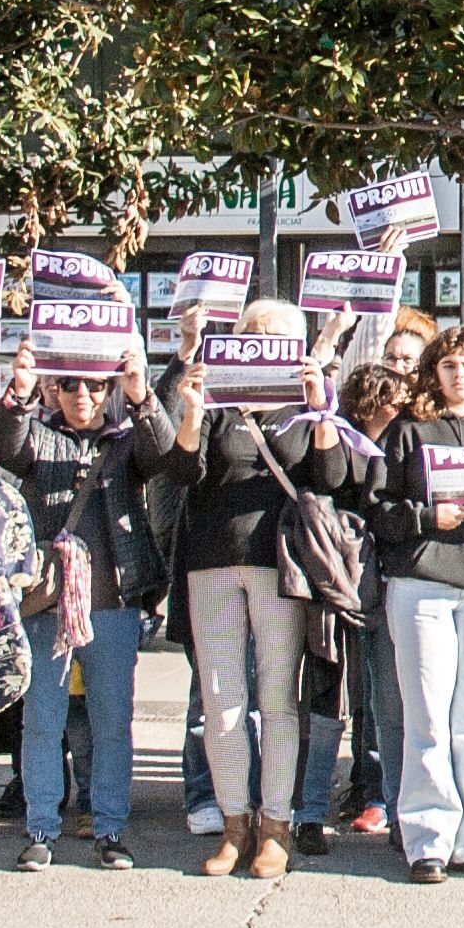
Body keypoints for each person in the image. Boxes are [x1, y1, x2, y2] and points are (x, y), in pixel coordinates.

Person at [153, 297, 351, 882]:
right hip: (211, 563)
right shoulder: (217, 398)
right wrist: (192, 412)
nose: (261, 342)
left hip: (278, 567)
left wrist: (319, 413)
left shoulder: (298, 402)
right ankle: (234, 824)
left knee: (276, 701)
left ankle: (276, 827)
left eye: (275, 335)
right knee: (221, 703)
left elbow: (331, 480)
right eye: (252, 333)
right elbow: (181, 472)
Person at [0, 330, 171, 870]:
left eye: (93, 385)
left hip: (111, 601)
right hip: (48, 604)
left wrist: (142, 396)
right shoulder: (39, 436)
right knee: (42, 719)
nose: (82, 395)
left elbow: (162, 454)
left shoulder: (124, 438)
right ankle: (41, 827)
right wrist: (18, 394)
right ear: (55, 388)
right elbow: (6, 448)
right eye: (69, 384)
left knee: (112, 720)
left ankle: (110, 828)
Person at [371, 329, 464, 883]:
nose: (460, 374)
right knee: (428, 716)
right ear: (434, 371)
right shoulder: (409, 432)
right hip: (421, 583)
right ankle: (428, 838)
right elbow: (378, 509)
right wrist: (427, 518)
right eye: (450, 364)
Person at [287, 357, 410, 859]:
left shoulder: (404, 447)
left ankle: (390, 807)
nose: (395, 412)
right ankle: (311, 812)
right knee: (330, 701)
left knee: (383, 703)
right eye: (388, 403)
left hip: (369, 585)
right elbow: (329, 480)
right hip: (338, 584)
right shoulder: (342, 443)